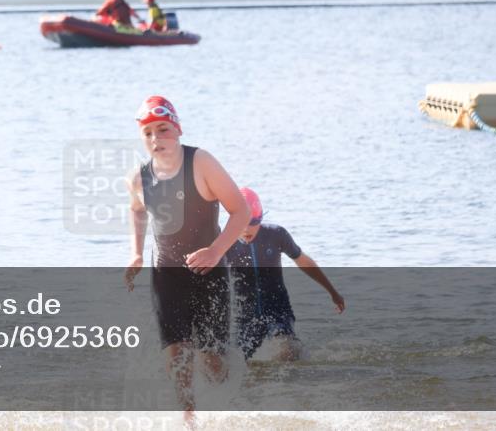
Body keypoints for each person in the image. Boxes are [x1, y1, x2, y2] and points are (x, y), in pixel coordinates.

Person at [123, 96, 250, 424]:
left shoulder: (201, 162)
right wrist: (137, 253)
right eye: (148, 133)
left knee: (211, 363)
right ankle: (188, 419)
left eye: (163, 129)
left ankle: (229, 396)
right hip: (166, 274)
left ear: (177, 129)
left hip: (209, 271)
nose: (156, 138)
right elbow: (137, 210)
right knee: (176, 353)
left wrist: (216, 251)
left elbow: (241, 211)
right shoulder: (138, 178)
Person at [226, 187, 345, 362]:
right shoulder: (226, 242)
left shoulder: (276, 234)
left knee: (288, 351)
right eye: (241, 222)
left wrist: (332, 291)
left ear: (260, 218)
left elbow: (303, 261)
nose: (246, 229)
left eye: (252, 223)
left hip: (278, 308)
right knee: (242, 365)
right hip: (244, 315)